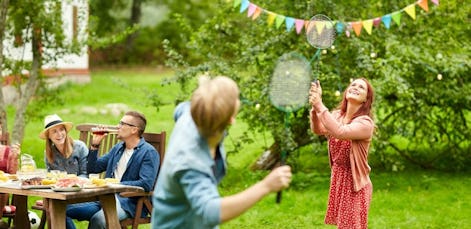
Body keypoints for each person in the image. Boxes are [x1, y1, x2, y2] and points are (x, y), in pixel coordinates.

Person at [152, 76, 292, 228]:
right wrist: (266, 185)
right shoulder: (191, 161)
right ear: (231, 119)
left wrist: (206, 90)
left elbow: (181, 109)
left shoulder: (192, 115)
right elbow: (210, 212)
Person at [66, 111, 159, 229]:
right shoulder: (118, 148)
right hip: (103, 198)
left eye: (122, 123)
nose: (117, 126)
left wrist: (114, 184)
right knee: (61, 209)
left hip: (128, 203)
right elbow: (93, 169)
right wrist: (95, 145)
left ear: (134, 130)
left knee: (99, 220)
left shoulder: (148, 153)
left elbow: (146, 183)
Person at [309, 78, 375, 229]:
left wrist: (319, 104)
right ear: (346, 92)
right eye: (353, 85)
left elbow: (340, 131)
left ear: (366, 99)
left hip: (354, 185)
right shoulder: (337, 115)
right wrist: (314, 108)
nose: (356, 87)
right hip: (338, 179)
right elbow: (318, 129)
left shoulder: (365, 124)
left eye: (361, 87)